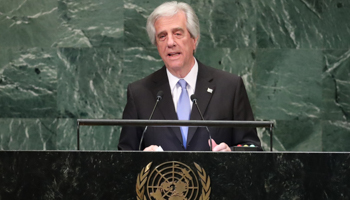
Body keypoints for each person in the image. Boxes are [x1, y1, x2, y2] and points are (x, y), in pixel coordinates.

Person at [118, 1, 261, 151]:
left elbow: (252, 146)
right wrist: (140, 159)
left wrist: (231, 153)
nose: (170, 42)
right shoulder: (140, 93)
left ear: (194, 40)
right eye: (162, 36)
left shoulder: (229, 87)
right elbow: (123, 155)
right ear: (157, 46)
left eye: (178, 34)